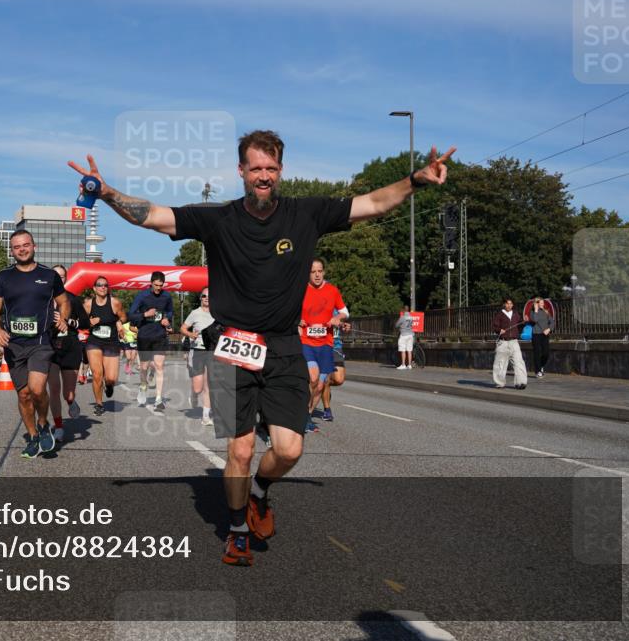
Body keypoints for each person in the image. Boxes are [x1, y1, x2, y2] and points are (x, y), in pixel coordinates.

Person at [69, 129, 455, 567]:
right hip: (233, 345)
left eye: (271, 168)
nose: (264, 176)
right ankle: (236, 532)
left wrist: (416, 180)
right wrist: (104, 192)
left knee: (290, 449)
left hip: (285, 347)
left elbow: (373, 203)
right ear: (241, 171)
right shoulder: (219, 219)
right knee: (240, 449)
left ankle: (258, 493)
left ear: (281, 171)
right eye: (256, 168)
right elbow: (152, 216)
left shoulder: (307, 214)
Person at [0, 230, 70, 458]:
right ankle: (33, 435)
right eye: (17, 247)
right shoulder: (4, 277)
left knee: (36, 389)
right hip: (13, 345)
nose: (22, 249)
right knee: (24, 395)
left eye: (26, 245)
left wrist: (62, 319)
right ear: (12, 250)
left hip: (41, 341)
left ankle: (43, 423)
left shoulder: (49, 275)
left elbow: (63, 302)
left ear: (34, 246)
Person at [299, 259, 348, 430]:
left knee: (320, 384)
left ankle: (307, 415)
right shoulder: (301, 290)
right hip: (306, 342)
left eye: (320, 271)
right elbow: (289, 310)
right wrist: (298, 319)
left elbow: (344, 311)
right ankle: (303, 415)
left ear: (324, 272)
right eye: (313, 272)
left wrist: (337, 318)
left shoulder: (332, 290)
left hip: (326, 344)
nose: (317, 274)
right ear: (308, 274)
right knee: (313, 378)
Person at [48, 264, 89, 441]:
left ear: (66, 279)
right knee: (54, 389)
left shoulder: (73, 300)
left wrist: (69, 322)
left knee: (68, 393)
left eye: (62, 276)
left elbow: (86, 324)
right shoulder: (42, 300)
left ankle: (71, 402)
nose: (59, 279)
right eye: (55, 276)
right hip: (49, 348)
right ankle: (58, 426)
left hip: (70, 347)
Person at [128, 271, 174, 411]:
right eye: (156, 285)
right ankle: (143, 387)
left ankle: (158, 399)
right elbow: (131, 314)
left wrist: (167, 319)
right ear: (151, 283)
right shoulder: (142, 296)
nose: (158, 288)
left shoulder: (166, 296)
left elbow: (170, 311)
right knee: (144, 367)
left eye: (161, 285)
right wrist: (145, 314)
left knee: (159, 366)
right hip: (145, 336)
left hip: (160, 334)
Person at [83, 276, 127, 416]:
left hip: (111, 342)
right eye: (100, 285)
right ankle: (99, 403)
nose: (103, 287)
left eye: (105, 285)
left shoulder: (115, 303)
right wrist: (90, 323)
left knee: (111, 378)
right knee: (97, 374)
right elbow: (82, 323)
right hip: (94, 341)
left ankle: (108, 386)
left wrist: (119, 322)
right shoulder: (88, 305)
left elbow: (124, 317)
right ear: (94, 288)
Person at [181, 287, 216, 426]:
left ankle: (205, 416)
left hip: (212, 351)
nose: (207, 298)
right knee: (198, 388)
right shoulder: (195, 313)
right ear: (200, 298)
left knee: (209, 385)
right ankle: (193, 395)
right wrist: (190, 334)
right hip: (197, 351)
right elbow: (182, 328)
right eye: (204, 296)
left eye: (209, 296)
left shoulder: (217, 314)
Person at [320, 310, 352, 421]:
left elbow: (341, 326)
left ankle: (324, 385)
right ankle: (327, 410)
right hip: (320, 345)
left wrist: (345, 327)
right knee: (325, 380)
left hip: (336, 347)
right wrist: (327, 323)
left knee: (339, 380)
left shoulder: (338, 309)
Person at [492, 297, 528, 389]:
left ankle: (521, 382)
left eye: (511, 304)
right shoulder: (499, 314)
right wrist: (499, 330)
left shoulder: (516, 314)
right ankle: (500, 383)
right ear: (504, 304)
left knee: (519, 362)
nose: (509, 305)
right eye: (507, 303)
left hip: (514, 342)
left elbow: (520, 324)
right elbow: (494, 327)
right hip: (503, 342)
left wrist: (524, 321)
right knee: (500, 363)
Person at [529, 297, 554, 378]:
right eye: (541, 303)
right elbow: (535, 320)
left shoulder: (546, 312)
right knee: (537, 353)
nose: (543, 304)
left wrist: (549, 329)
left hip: (545, 335)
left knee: (546, 353)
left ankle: (541, 366)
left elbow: (552, 322)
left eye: (543, 303)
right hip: (536, 334)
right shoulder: (532, 312)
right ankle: (538, 371)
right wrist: (536, 310)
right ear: (536, 303)